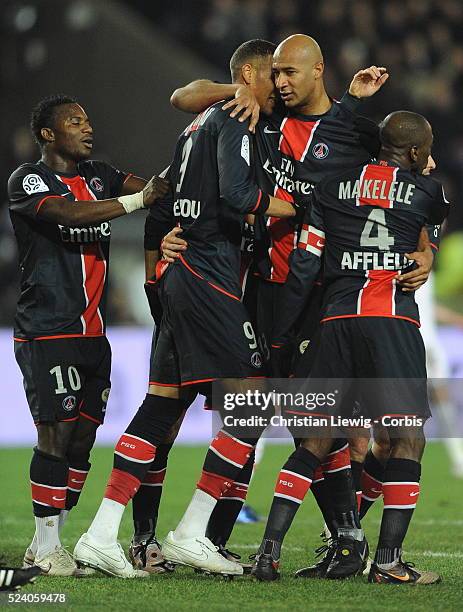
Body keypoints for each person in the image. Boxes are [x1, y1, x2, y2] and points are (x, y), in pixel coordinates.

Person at [165, 34, 433, 570]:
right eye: (276, 73)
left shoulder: (357, 129)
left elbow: (410, 187)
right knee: (263, 412)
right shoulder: (258, 112)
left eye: (291, 73)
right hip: (264, 287)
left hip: (328, 294)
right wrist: (241, 86)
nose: (282, 83)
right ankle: (229, 535)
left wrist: (425, 251)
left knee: (338, 430)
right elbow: (183, 97)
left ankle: (344, 539)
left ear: (319, 71)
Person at [73, 39, 299, 578]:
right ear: (251, 72)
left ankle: (101, 534)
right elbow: (238, 198)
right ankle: (191, 532)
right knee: (251, 402)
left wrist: (161, 266)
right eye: (274, 73)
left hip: (185, 272)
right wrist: (304, 207)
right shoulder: (235, 118)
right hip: (209, 273)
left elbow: (172, 191)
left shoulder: (198, 123)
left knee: (164, 404)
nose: (281, 86)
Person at [252, 111, 449, 585]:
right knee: (406, 439)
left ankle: (267, 553)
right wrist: (424, 252)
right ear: (419, 153)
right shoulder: (429, 191)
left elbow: (304, 266)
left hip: (334, 321)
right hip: (390, 322)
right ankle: (387, 563)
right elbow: (428, 237)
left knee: (317, 441)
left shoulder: (330, 188)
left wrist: (281, 335)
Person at [7, 94, 168, 577]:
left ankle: (46, 544)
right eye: (74, 121)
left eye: (88, 120)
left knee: (81, 442)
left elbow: (158, 188)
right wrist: (140, 201)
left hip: (94, 335)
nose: (87, 127)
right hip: (47, 330)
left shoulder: (101, 174)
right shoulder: (29, 179)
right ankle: (49, 545)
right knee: (54, 436)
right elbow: (70, 215)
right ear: (48, 134)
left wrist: (188, 164)